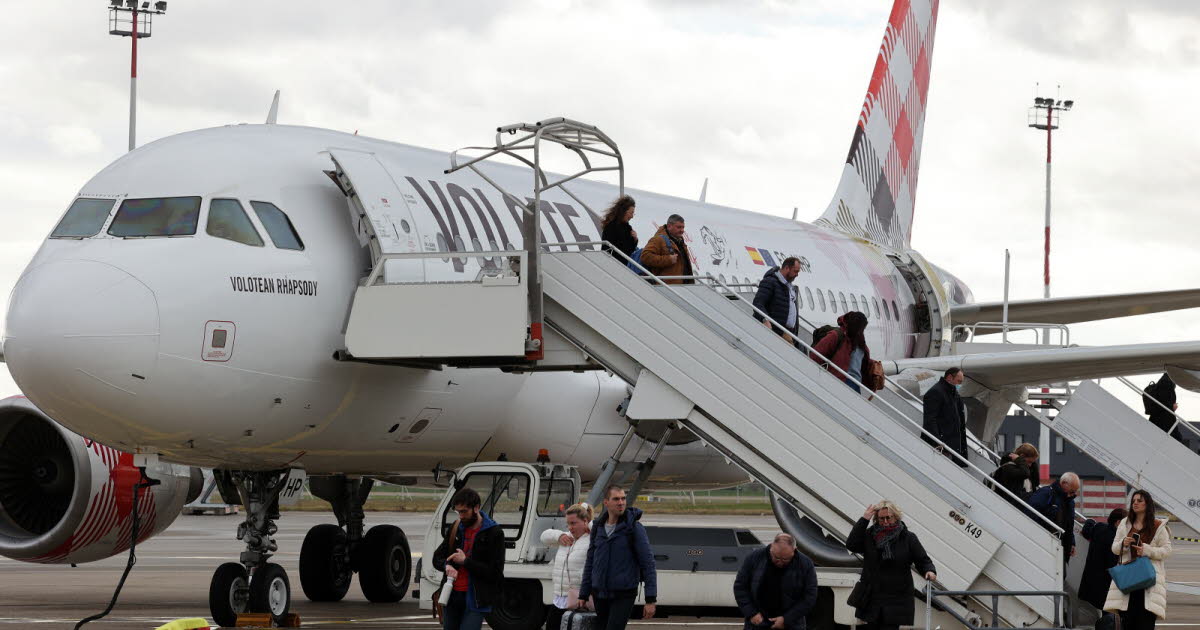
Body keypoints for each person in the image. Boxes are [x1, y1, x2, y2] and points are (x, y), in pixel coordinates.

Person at [845, 501, 937, 630]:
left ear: (896, 517)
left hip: (896, 598)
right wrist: (864, 519)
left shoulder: (908, 537)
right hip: (871, 597)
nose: (885, 521)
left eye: (888, 517)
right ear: (876, 519)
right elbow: (852, 545)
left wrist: (929, 571)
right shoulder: (869, 535)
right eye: (881, 518)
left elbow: (923, 560)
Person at [578, 485, 658, 630]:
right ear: (606, 502)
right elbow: (590, 562)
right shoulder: (598, 527)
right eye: (616, 499)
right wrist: (583, 594)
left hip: (624, 594)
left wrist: (650, 599)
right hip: (599, 594)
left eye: (623, 498)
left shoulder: (634, 528)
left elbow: (648, 563)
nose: (621, 502)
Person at [432, 487, 506, 630]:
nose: (461, 516)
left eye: (464, 511)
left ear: (476, 508)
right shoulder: (456, 528)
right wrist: (446, 566)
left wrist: (466, 562)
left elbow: (495, 572)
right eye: (458, 512)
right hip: (451, 595)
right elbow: (437, 557)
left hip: (476, 598)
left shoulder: (494, 533)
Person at [1104, 490, 1172, 630]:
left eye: (1139, 501)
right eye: (1133, 501)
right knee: (1128, 622)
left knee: (1146, 622)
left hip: (1149, 581)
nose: (1135, 503)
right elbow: (1114, 548)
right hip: (1129, 579)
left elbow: (1167, 550)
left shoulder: (1158, 526)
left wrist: (1147, 550)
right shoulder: (1125, 523)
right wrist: (1123, 544)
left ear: (1147, 504)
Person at [733, 533, 818, 630]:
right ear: (771, 546)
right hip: (757, 623)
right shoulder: (754, 558)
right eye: (776, 557)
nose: (780, 562)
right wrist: (751, 613)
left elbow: (809, 597)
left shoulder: (805, 564)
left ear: (794, 550)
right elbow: (740, 587)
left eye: (785, 559)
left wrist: (786, 619)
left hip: (791, 625)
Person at [541, 502, 595, 630]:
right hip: (559, 599)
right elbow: (544, 536)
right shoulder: (566, 537)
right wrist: (559, 535)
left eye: (574, 523)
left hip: (579, 600)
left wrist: (590, 525)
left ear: (585, 521)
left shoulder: (592, 539)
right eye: (568, 524)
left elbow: (603, 528)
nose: (570, 527)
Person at [1079, 508, 1128, 611]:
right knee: (1106, 612)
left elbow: (1087, 530)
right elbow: (1113, 565)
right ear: (1118, 522)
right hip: (1104, 585)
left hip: (1089, 581)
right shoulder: (1115, 540)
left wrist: (1090, 520)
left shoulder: (1099, 527)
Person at [810, 311, 872, 392]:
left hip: (854, 384)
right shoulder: (836, 336)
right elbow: (815, 355)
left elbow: (863, 366)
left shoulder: (861, 344)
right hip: (837, 381)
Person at [1027, 472, 1080, 563]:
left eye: (1074, 492)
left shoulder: (1070, 502)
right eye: (1072, 491)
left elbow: (1069, 525)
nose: (1073, 494)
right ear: (1063, 483)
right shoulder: (1046, 493)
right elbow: (1030, 514)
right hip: (1044, 544)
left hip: (1061, 547)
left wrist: (1071, 542)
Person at [921, 368, 968, 466]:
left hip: (950, 447)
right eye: (959, 381)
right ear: (950, 377)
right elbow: (930, 421)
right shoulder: (936, 392)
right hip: (942, 448)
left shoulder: (953, 393)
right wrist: (938, 443)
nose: (960, 384)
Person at [752, 257, 802, 346]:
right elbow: (758, 303)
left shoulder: (788, 286)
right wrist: (764, 319)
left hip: (788, 332)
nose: (797, 275)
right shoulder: (770, 282)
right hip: (777, 332)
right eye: (795, 271)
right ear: (787, 268)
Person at [639, 214, 694, 284]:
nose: (682, 230)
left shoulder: (680, 241)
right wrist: (668, 259)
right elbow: (645, 257)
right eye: (679, 227)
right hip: (666, 287)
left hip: (684, 286)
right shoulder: (658, 239)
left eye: (683, 227)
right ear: (669, 226)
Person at [1144, 374, 1185, 443]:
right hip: (1164, 419)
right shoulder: (1166, 384)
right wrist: (1172, 407)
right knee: (1176, 438)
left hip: (1158, 418)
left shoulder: (1163, 384)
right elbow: (1162, 402)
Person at [600, 195, 639, 261]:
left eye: (633, 213)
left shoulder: (628, 228)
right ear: (623, 211)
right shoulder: (611, 226)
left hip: (623, 263)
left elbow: (630, 249)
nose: (632, 216)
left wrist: (635, 239)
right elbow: (608, 248)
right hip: (612, 262)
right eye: (631, 213)